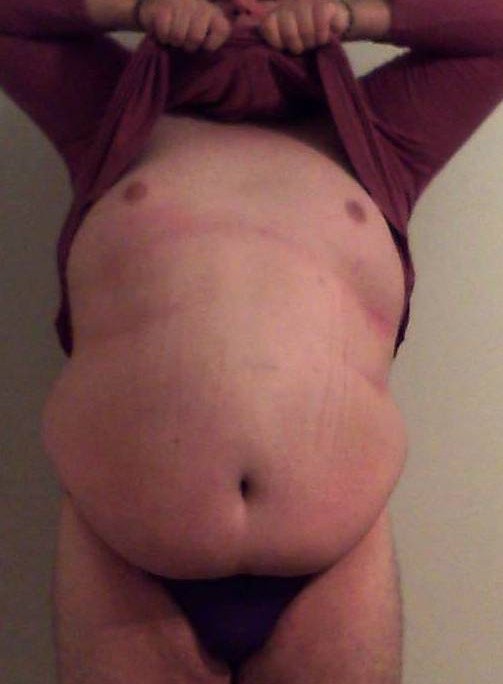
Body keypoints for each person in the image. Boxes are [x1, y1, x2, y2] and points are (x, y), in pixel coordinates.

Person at [1, 0, 502, 681]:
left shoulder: (381, 139)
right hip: (123, 568)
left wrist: (356, 15)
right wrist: (136, 7)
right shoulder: (109, 123)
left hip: (335, 570)